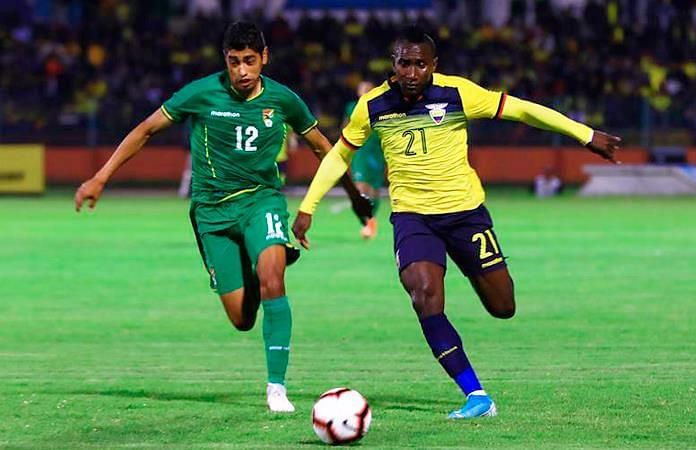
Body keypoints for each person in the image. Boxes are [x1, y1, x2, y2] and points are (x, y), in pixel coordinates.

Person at [292, 25, 621, 419]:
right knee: (424, 295)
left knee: (503, 306)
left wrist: (584, 134)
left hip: (465, 215)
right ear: (392, 66)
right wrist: (308, 206)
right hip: (413, 218)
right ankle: (476, 395)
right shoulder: (373, 106)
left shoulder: (457, 93)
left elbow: (522, 110)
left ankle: (472, 285)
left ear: (433, 66)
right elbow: (340, 156)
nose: (412, 73)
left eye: (420, 65)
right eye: (404, 64)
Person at [74, 22, 372, 413]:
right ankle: (257, 261)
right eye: (234, 62)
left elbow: (325, 149)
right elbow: (147, 129)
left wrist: (353, 197)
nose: (243, 71)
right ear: (225, 61)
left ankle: (277, 389)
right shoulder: (201, 93)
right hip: (212, 214)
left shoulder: (284, 100)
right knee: (242, 319)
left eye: (250, 61)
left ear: (264, 58)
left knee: (273, 278)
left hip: (261, 202)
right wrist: (100, 177)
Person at [343, 81, 386, 239]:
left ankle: (371, 220)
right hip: (360, 151)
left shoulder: (381, 107)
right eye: (362, 89)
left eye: (367, 89)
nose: (364, 92)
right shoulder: (351, 108)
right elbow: (346, 127)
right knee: (361, 188)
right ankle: (368, 222)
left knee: (374, 190)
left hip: (377, 151)